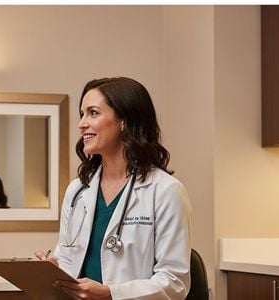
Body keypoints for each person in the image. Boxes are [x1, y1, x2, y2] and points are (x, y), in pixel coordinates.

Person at [35, 77, 193, 299]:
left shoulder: (165, 191)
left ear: (124, 121)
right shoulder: (78, 191)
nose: (81, 124)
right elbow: (69, 260)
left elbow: (174, 282)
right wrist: (54, 269)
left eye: (93, 113)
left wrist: (111, 293)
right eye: (82, 114)